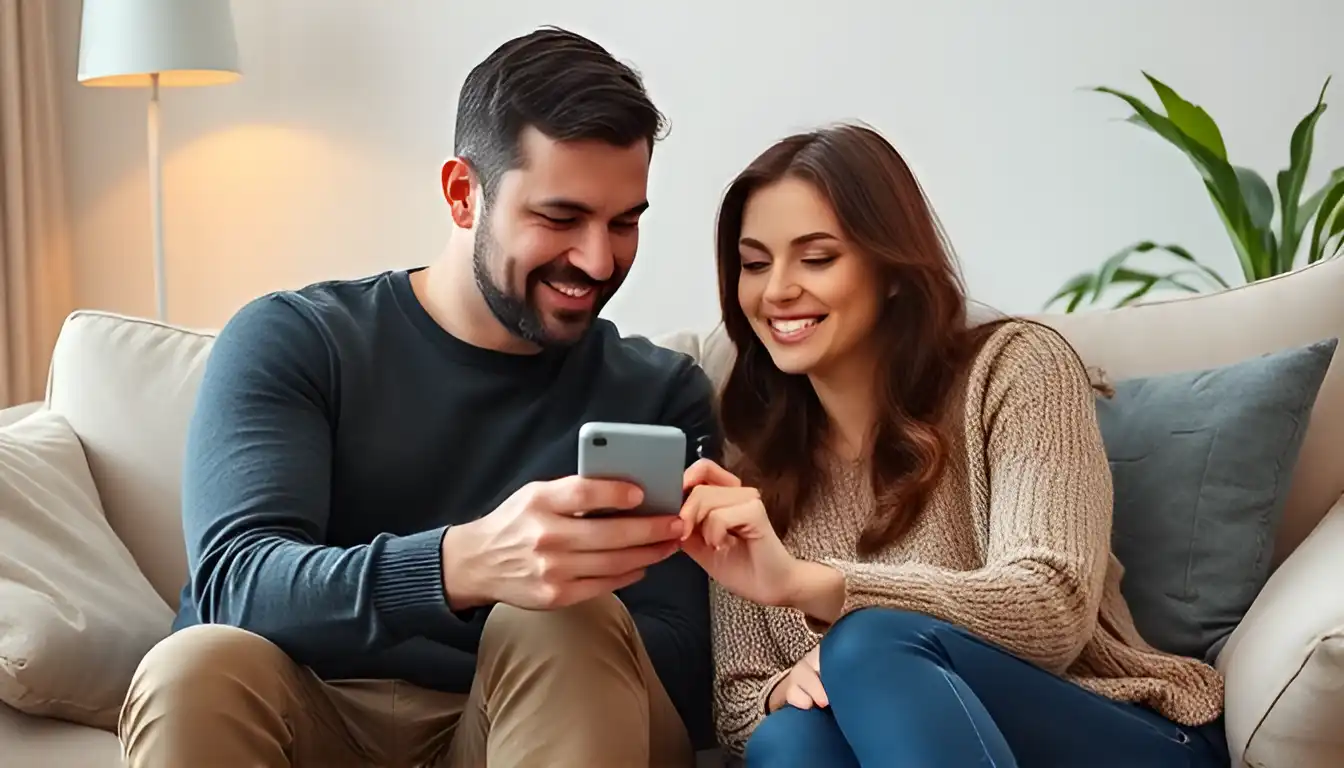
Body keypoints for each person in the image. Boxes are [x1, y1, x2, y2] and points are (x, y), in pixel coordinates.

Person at [117, 27, 722, 768]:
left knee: (561, 623)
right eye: (560, 218)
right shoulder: (299, 341)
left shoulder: (658, 392)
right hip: (315, 715)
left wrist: (559, 600)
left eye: (623, 222)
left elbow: (689, 670)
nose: (598, 259)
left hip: (548, 709)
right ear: (464, 194)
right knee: (195, 669)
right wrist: (461, 565)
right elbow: (237, 588)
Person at [674, 123, 1230, 767]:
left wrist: (810, 585)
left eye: (817, 257)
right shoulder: (753, 475)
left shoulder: (1020, 370)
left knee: (868, 645)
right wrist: (779, 691)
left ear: (890, 270)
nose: (776, 291)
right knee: (791, 735)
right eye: (754, 263)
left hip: (1117, 736)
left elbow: (1051, 607)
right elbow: (737, 702)